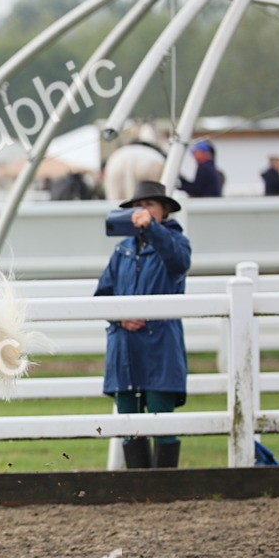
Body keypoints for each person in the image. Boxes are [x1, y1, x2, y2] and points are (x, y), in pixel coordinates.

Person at [95, 181, 192, 469]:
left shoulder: (176, 243)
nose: (143, 210)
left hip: (160, 345)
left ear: (163, 211)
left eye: (150, 205)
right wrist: (121, 316)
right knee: (128, 420)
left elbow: (178, 261)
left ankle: (164, 487)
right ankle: (137, 486)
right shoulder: (122, 250)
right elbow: (102, 295)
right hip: (124, 346)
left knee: (161, 416)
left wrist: (152, 228)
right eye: (140, 205)